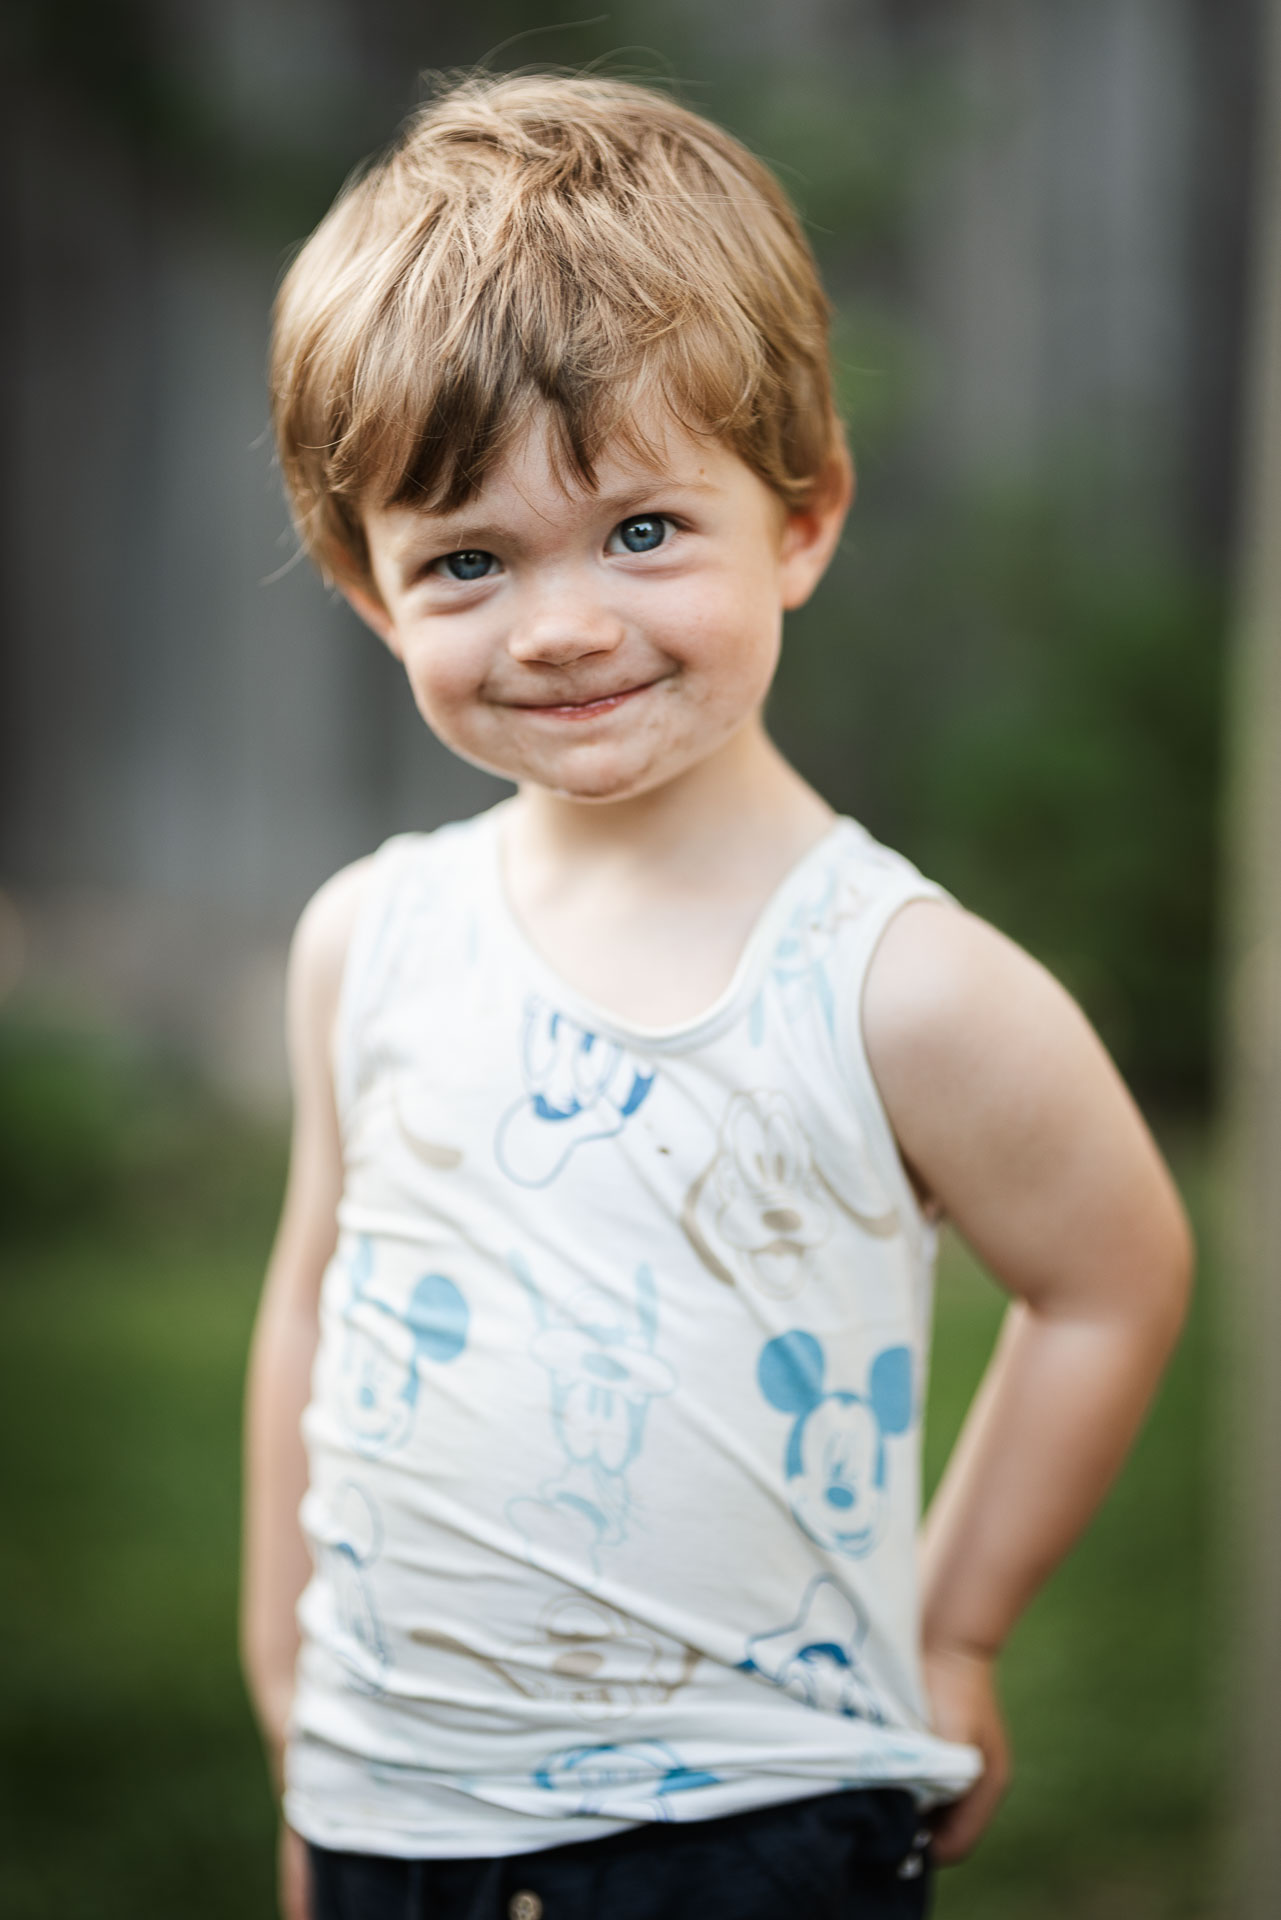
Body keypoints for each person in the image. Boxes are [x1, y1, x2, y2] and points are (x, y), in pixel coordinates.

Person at [240, 71, 1192, 1920]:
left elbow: (1112, 1274)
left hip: (749, 1828)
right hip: (392, 1804)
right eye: (467, 560)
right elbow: (310, 1302)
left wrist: (956, 1628)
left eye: (641, 532)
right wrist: (294, 1684)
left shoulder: (898, 985)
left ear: (801, 519)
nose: (561, 624)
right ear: (370, 592)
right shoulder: (367, 939)